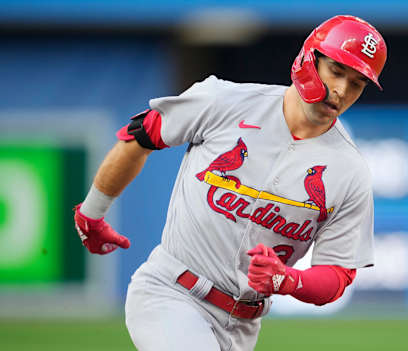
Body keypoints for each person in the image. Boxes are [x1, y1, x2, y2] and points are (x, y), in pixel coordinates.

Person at [74, 14, 387, 351]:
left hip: (243, 326)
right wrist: (91, 213)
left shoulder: (349, 170)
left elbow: (337, 277)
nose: (341, 90)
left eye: (356, 83)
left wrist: (288, 280)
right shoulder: (226, 101)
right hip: (171, 293)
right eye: (336, 71)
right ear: (308, 60)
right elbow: (140, 136)